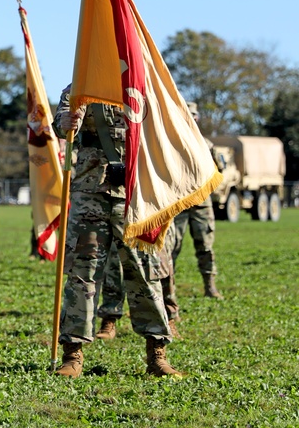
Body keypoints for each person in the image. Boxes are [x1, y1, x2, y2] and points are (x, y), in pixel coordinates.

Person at [53, 85, 181, 378]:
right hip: (90, 194)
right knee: (81, 275)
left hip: (136, 197)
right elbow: (61, 124)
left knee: (145, 274)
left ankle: (157, 353)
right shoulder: (81, 82)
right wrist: (65, 122)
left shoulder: (140, 82)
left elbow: (161, 131)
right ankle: (72, 355)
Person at [171, 101, 224, 299]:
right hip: (178, 204)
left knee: (206, 247)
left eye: (193, 115)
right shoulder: (170, 142)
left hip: (201, 204)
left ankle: (210, 286)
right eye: (187, 114)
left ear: (197, 118)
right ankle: (170, 290)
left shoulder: (206, 145)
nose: (190, 118)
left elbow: (219, 170)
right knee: (171, 248)